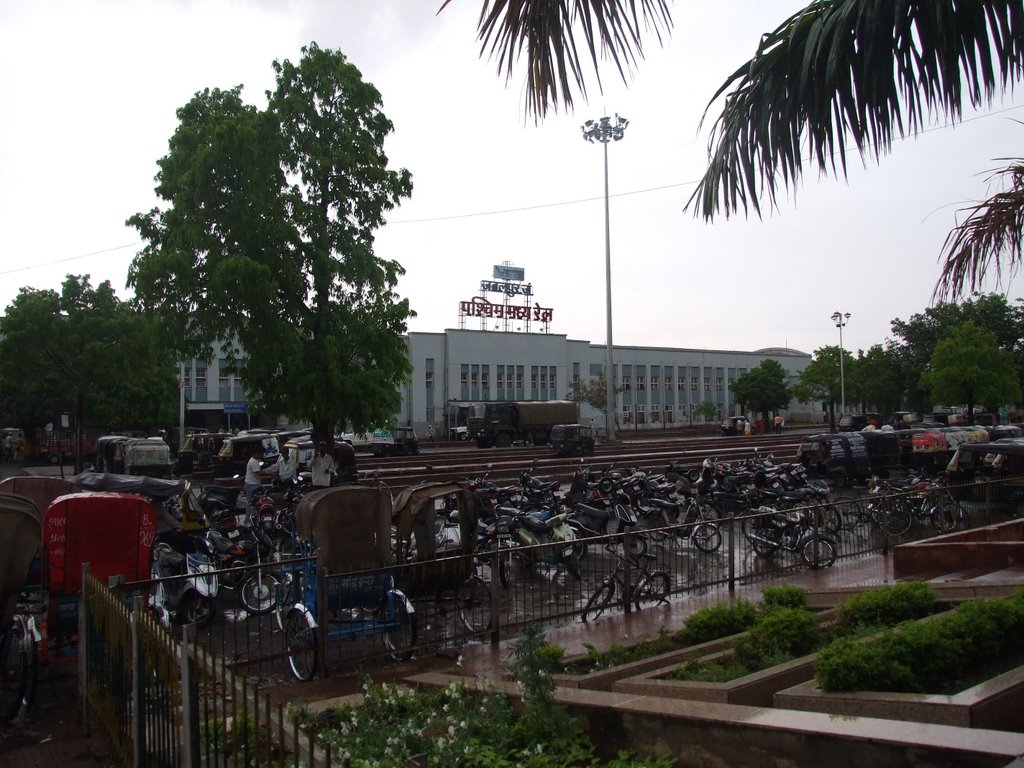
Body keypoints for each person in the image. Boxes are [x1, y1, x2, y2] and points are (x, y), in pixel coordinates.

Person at [244, 444, 266, 523]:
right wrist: (270, 474)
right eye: (261, 454)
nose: (262, 455)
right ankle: (248, 520)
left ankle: (253, 518)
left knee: (255, 502)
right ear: (256, 453)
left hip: (254, 484)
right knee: (251, 502)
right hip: (251, 485)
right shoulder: (253, 461)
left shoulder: (256, 461)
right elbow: (259, 473)